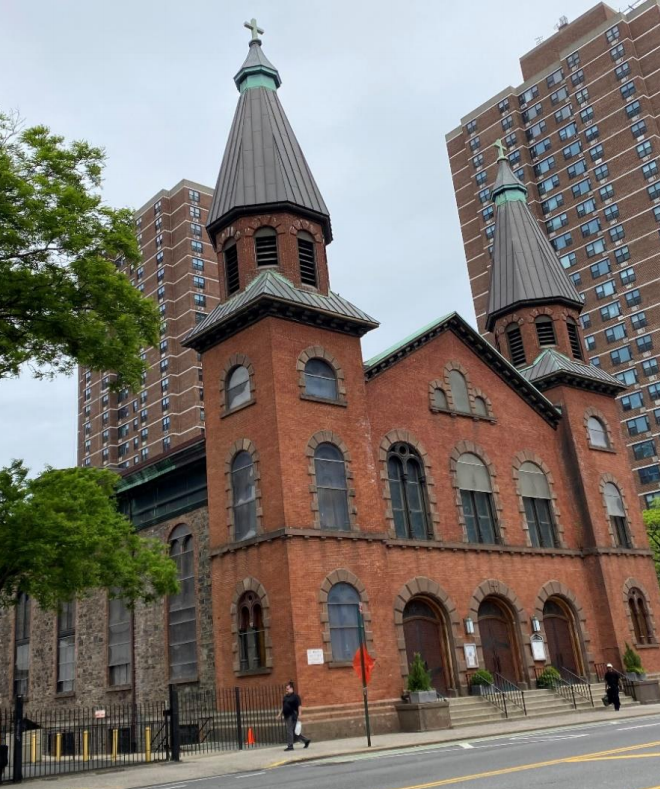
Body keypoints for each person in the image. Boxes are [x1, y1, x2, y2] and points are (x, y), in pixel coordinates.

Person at [279, 680, 311, 751]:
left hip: (292, 715)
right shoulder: (285, 697)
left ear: (291, 689)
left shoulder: (296, 697)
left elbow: (299, 706)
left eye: (288, 689)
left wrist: (300, 714)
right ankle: (306, 740)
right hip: (287, 716)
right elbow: (283, 707)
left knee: (289, 730)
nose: (286, 690)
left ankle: (290, 746)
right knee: (294, 732)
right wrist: (279, 714)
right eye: (286, 689)